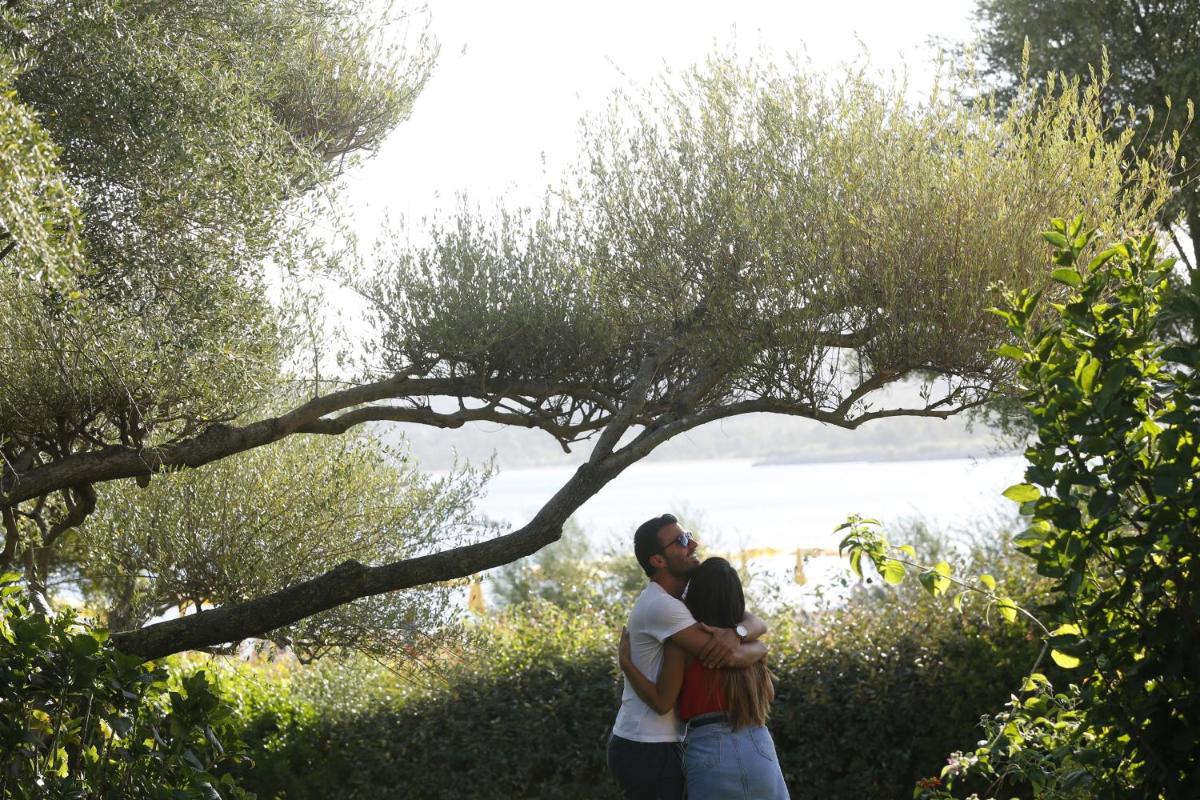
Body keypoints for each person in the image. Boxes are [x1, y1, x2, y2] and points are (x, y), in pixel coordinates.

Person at [607, 514, 769, 800]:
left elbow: (753, 621)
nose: (693, 544)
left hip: (658, 741)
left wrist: (740, 632)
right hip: (647, 744)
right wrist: (760, 648)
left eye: (689, 536)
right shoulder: (663, 607)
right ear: (658, 560)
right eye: (682, 541)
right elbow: (730, 655)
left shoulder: (677, 604)